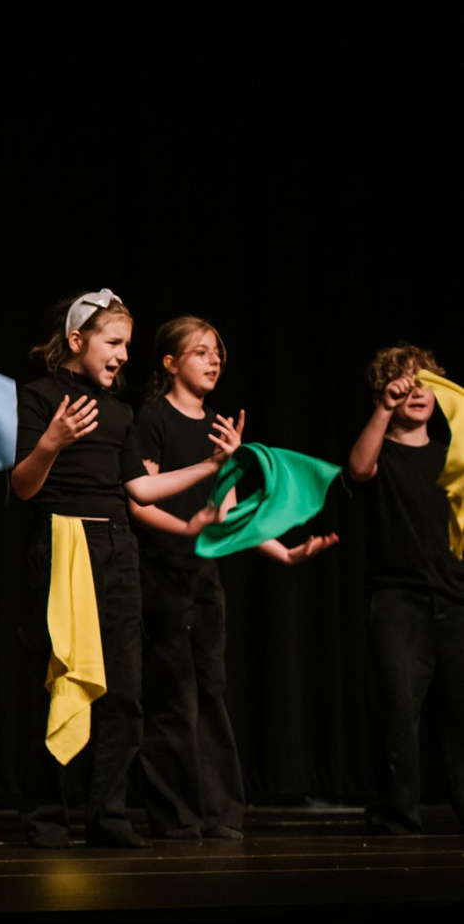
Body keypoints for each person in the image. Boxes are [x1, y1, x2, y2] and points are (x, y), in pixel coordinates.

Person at [10, 290, 240, 849]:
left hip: (117, 547)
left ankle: (108, 815)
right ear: (77, 340)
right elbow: (23, 486)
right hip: (62, 540)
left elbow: (140, 486)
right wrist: (52, 441)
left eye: (127, 345)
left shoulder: (119, 410)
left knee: (124, 689)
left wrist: (211, 466)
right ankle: (46, 816)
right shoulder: (39, 397)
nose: (122, 355)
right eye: (113, 342)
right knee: (56, 679)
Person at [129, 316, 335, 840]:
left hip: (204, 579)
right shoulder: (152, 418)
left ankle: (220, 813)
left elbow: (229, 511)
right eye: (201, 351)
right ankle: (177, 816)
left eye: (217, 352)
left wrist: (283, 552)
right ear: (170, 363)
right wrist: (185, 528)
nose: (214, 359)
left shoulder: (219, 424)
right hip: (160, 576)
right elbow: (139, 500)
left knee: (209, 690)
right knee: (172, 697)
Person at [345, 344, 464, 834]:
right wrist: (383, 410)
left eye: (424, 383)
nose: (416, 392)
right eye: (404, 383)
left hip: (454, 600)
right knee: (398, 714)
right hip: (398, 601)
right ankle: (397, 815)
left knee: (460, 715)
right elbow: (358, 469)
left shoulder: (450, 459)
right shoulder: (381, 451)